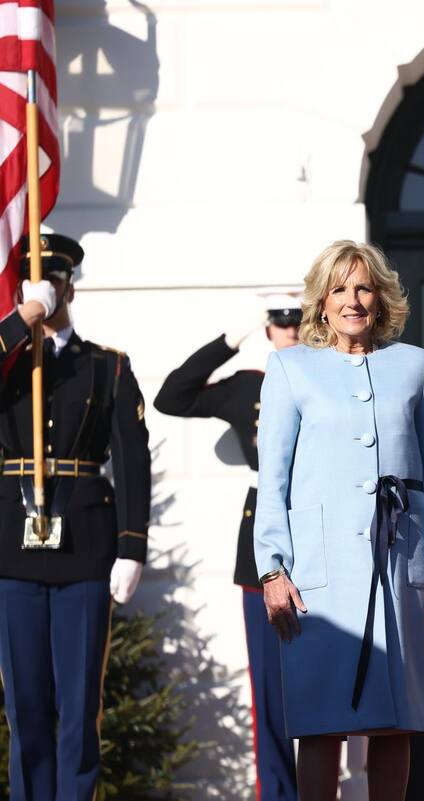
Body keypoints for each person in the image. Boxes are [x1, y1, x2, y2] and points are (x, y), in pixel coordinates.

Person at [254, 241, 424, 801]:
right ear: (321, 303)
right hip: (317, 573)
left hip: (401, 562)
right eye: (340, 289)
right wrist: (271, 570)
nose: (353, 300)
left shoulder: (415, 364)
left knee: (397, 719)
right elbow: (272, 477)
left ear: (381, 297)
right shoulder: (290, 367)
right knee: (321, 722)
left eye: (363, 287)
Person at [0, 233, 151, 800]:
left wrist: (132, 545)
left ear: (71, 287)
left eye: (53, 282)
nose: (44, 290)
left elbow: (132, 460)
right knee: (27, 709)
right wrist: (22, 319)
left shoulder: (106, 366)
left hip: (86, 547)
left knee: (78, 709)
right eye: (33, 282)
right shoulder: (10, 358)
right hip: (13, 548)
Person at [153, 293, 301, 801]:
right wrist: (230, 339)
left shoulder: (336, 378)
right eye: (283, 323)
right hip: (262, 542)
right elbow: (172, 397)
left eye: (302, 321)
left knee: (337, 685)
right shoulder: (247, 388)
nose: (294, 331)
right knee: (271, 693)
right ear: (270, 330)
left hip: (326, 535)